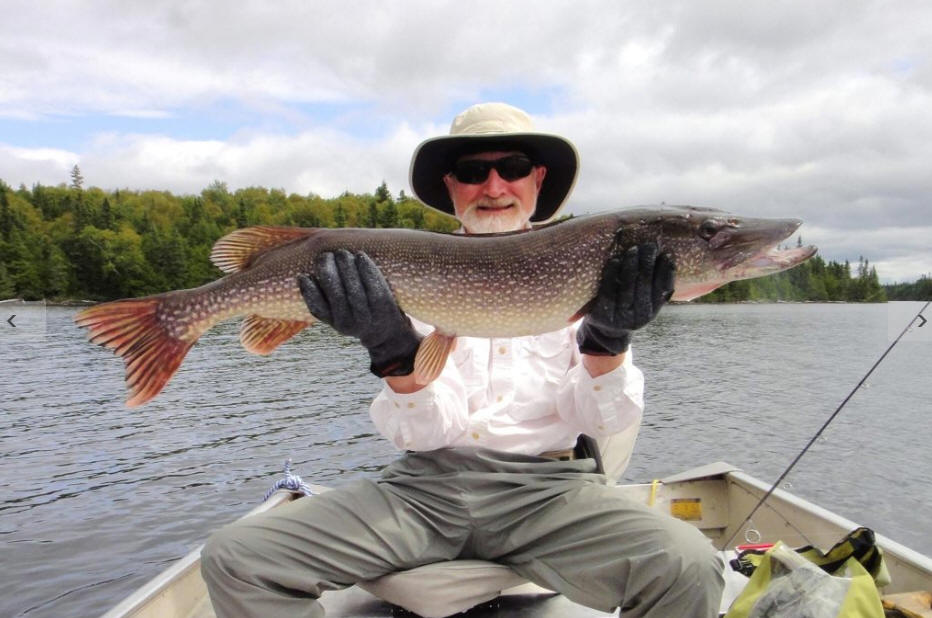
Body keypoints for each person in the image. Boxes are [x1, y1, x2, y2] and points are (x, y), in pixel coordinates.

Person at [201, 102, 724, 617]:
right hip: (422, 492)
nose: (494, 187)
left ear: (537, 179)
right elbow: (424, 435)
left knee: (688, 567)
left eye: (513, 168)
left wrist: (607, 339)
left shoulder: (596, 265)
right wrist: (394, 349)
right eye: (473, 172)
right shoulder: (411, 267)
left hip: (551, 497)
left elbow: (600, 420)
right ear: (451, 186)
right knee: (237, 558)